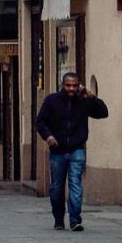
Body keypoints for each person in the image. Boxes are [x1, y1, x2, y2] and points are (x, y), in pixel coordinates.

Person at [35, 72, 109, 232]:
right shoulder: (52, 100)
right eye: (68, 85)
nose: (72, 89)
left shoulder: (83, 101)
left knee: (75, 184)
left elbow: (103, 113)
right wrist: (48, 136)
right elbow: (40, 122)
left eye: (75, 86)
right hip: (57, 150)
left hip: (77, 149)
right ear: (63, 85)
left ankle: (75, 220)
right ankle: (59, 219)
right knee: (56, 187)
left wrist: (92, 97)